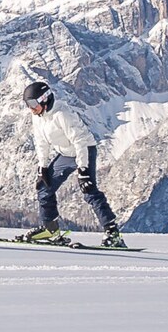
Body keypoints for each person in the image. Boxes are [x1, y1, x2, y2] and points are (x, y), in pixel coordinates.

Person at [19, 80, 126, 248]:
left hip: (84, 150)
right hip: (65, 154)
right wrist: (43, 167)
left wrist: (83, 169)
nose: (31, 108)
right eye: (27, 104)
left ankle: (113, 234)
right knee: (44, 188)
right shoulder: (38, 117)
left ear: (44, 99)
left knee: (88, 189)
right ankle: (51, 230)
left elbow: (80, 142)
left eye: (33, 103)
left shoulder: (62, 114)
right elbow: (41, 142)